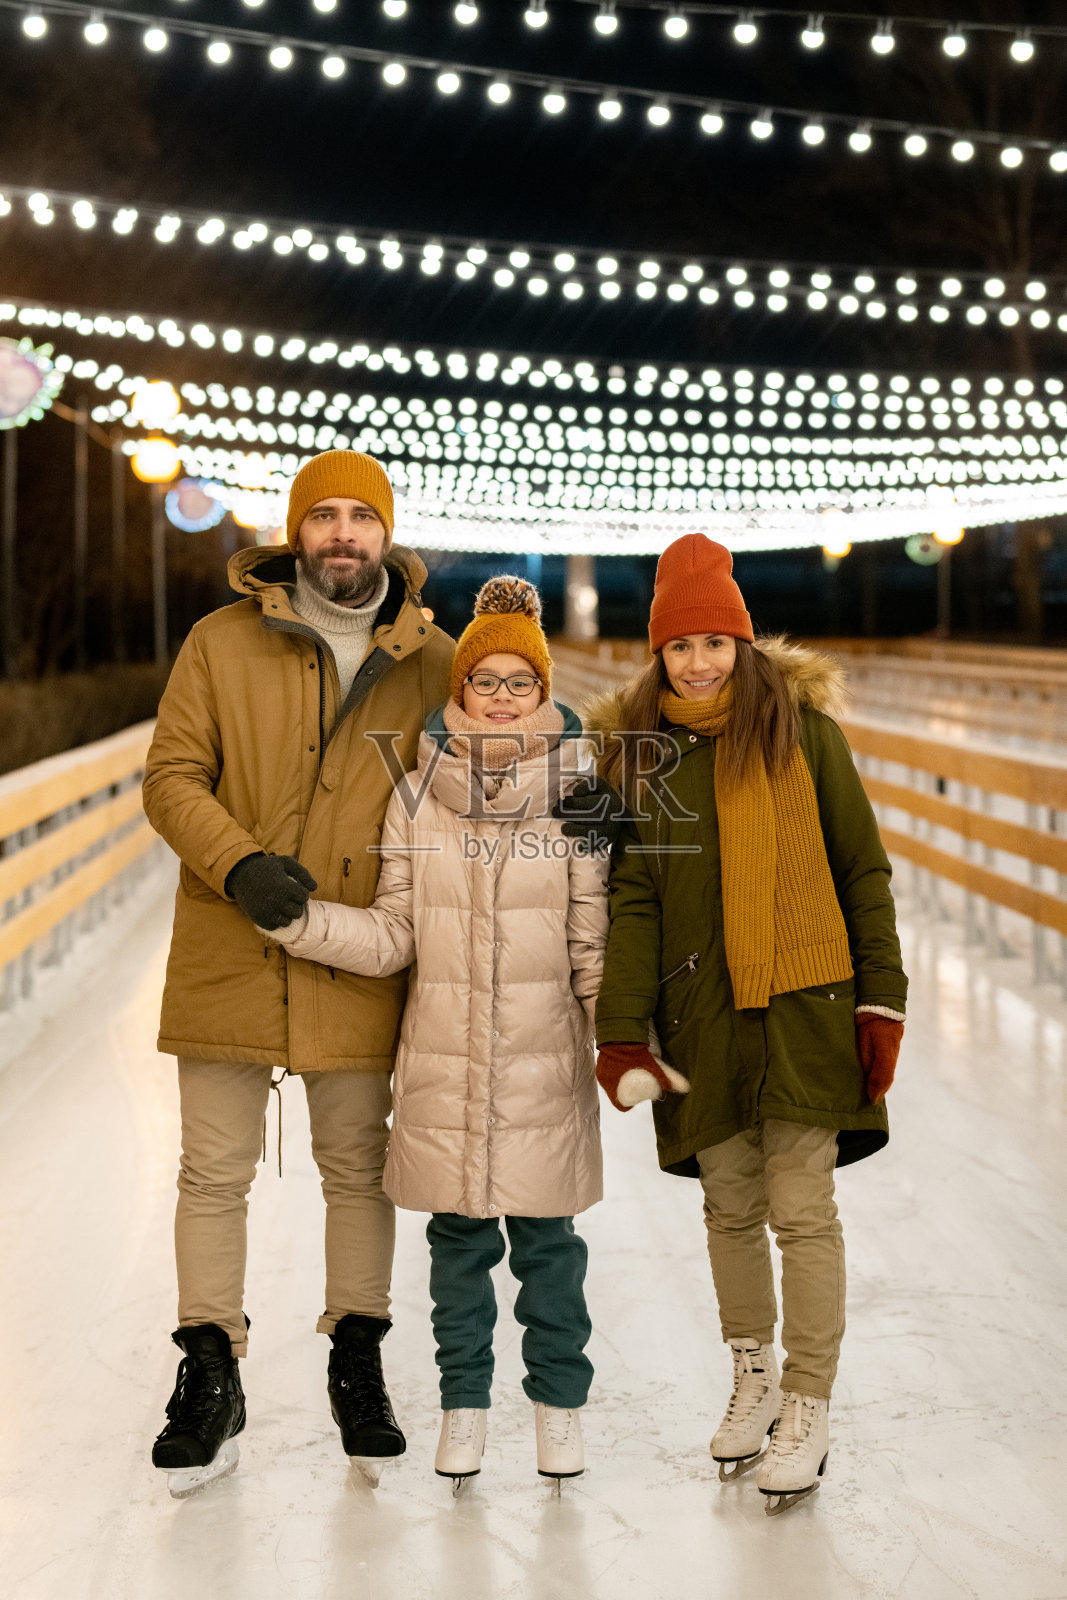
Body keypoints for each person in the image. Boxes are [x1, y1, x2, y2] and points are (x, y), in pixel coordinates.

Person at [141, 450, 454, 1496]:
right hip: (231, 942)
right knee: (212, 1173)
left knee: (358, 1169)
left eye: (359, 518)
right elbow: (171, 775)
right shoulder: (220, 643)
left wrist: (579, 794)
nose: (340, 536)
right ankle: (207, 1366)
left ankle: (356, 1356)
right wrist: (235, 863)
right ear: (295, 530)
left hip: (359, 951)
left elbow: (497, 763)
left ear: (385, 536)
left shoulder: (431, 662)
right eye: (321, 516)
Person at [264, 576, 608, 1491]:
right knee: (457, 1252)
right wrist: (303, 924)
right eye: (484, 681)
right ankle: (464, 1405)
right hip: (445, 1064)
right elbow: (395, 930)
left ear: (543, 693)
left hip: (542, 1063)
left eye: (518, 682)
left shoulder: (580, 794)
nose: (500, 696)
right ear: (458, 693)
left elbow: (592, 942)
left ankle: (558, 1408)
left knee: (548, 1252)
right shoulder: (415, 797)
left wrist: (628, 1037)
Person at [588, 533, 906, 1515]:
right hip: (701, 1014)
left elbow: (861, 868)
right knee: (728, 1206)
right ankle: (753, 1374)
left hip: (807, 1004)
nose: (696, 661)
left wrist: (878, 995)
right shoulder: (639, 757)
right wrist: (621, 1027)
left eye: (712, 642)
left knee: (799, 1207)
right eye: (678, 645)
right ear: (657, 652)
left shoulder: (805, 735)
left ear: (740, 640)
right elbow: (631, 898)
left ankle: (806, 1402)